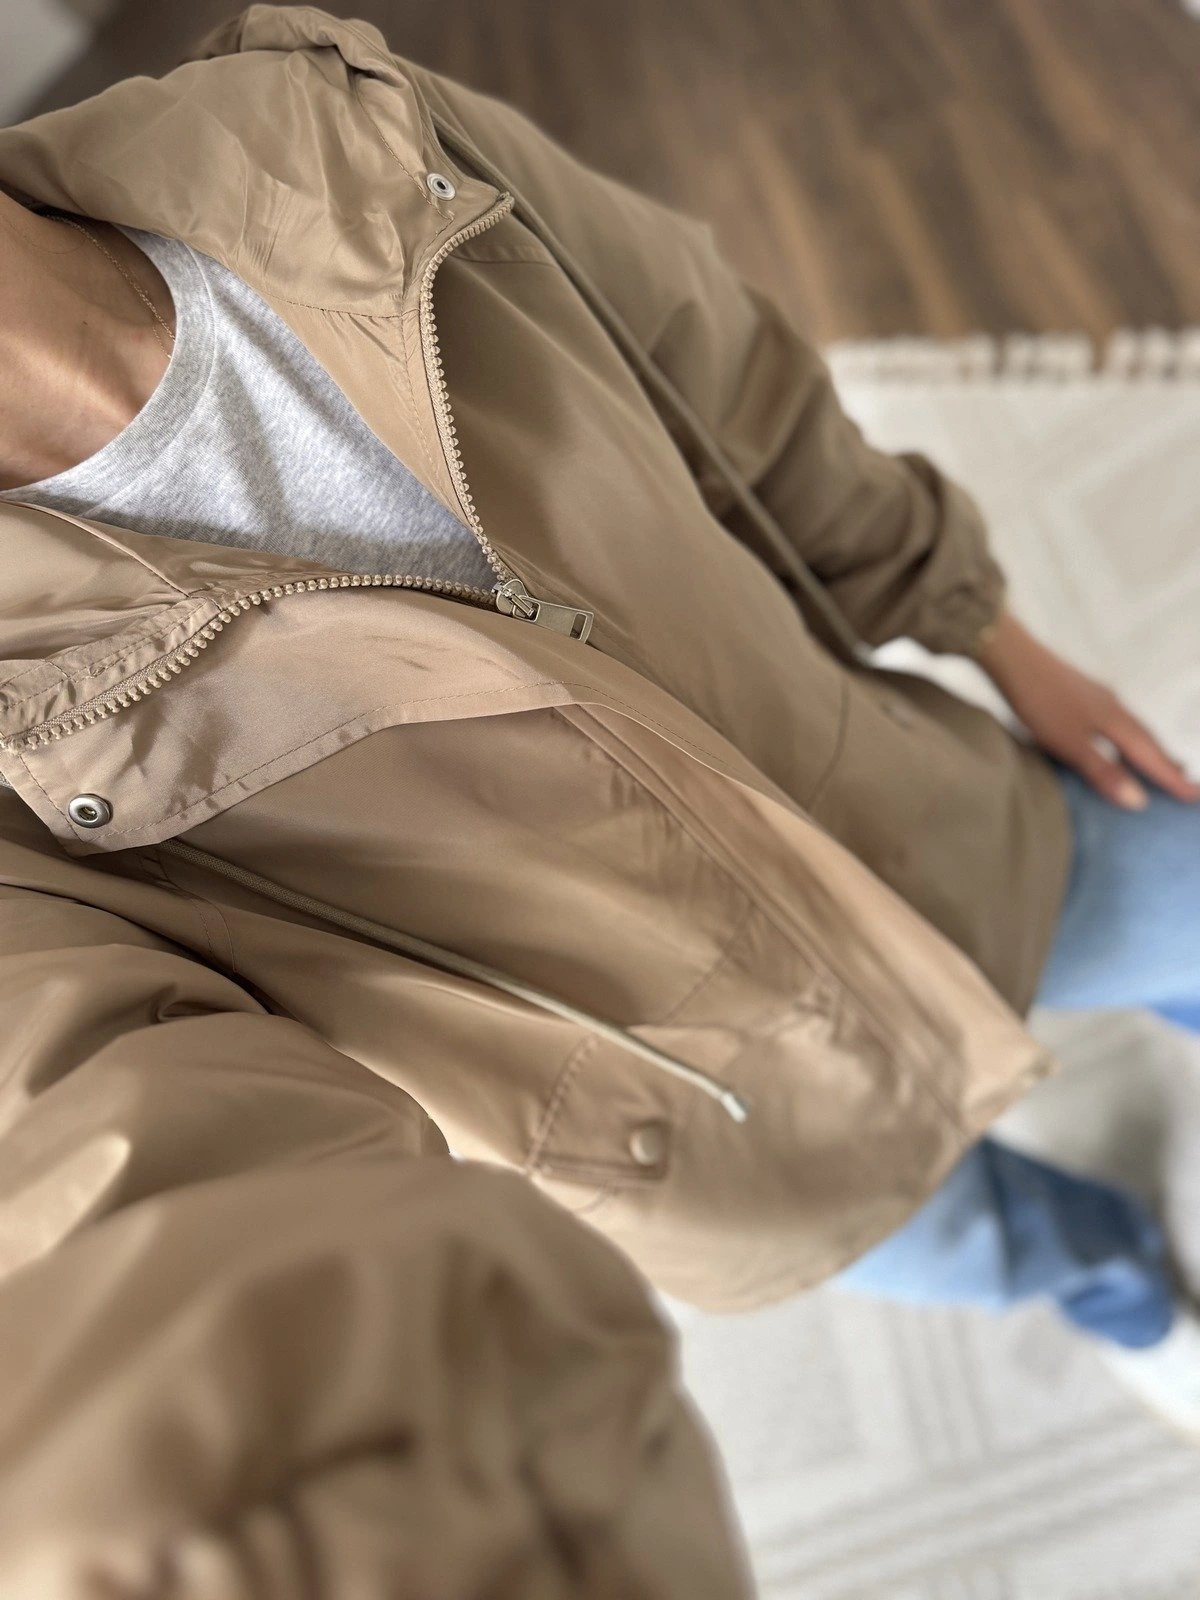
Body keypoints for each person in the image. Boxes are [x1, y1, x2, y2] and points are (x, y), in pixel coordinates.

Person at [0, 2, 1196, 1554]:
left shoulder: (328, 133)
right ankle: (1126, 1291)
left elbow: (736, 387)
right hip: (702, 1122)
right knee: (1002, 1249)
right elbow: (106, 1138)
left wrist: (984, 623)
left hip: (908, 817)